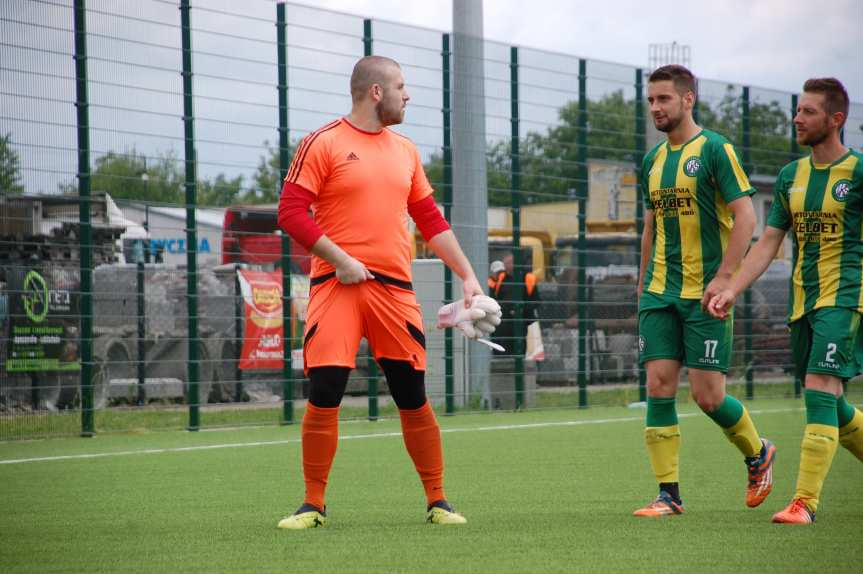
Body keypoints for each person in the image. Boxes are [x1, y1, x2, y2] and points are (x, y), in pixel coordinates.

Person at [275, 55, 486, 529]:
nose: (407, 95)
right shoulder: (322, 143)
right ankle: (313, 505)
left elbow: (430, 220)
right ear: (376, 92)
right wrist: (343, 260)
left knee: (411, 394)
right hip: (337, 287)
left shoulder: (406, 150)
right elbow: (290, 213)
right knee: (325, 389)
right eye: (400, 86)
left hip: (394, 292)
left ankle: (438, 501)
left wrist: (468, 276)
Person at [708, 77, 863, 524]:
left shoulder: (857, 172)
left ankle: (804, 504)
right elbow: (768, 241)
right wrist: (731, 287)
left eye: (808, 111)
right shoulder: (790, 176)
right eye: (797, 110)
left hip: (845, 298)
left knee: (819, 390)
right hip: (802, 304)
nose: (797, 118)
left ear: (836, 120)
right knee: (832, 404)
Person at [632, 65, 775, 517]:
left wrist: (726, 277)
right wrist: (641, 289)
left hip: (704, 294)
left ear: (688, 99)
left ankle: (758, 453)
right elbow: (651, 227)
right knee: (658, 385)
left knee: (708, 396)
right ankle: (668, 495)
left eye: (664, 99)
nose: (655, 107)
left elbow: (747, 218)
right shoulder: (652, 161)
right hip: (659, 292)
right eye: (651, 100)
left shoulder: (715, 150)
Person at [487, 253, 540, 355]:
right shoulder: (500, 278)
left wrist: (521, 309)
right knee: (500, 347)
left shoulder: (528, 278)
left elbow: (536, 301)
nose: (505, 266)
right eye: (505, 263)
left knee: (518, 347)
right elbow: (494, 296)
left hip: (520, 320)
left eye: (508, 263)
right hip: (502, 321)